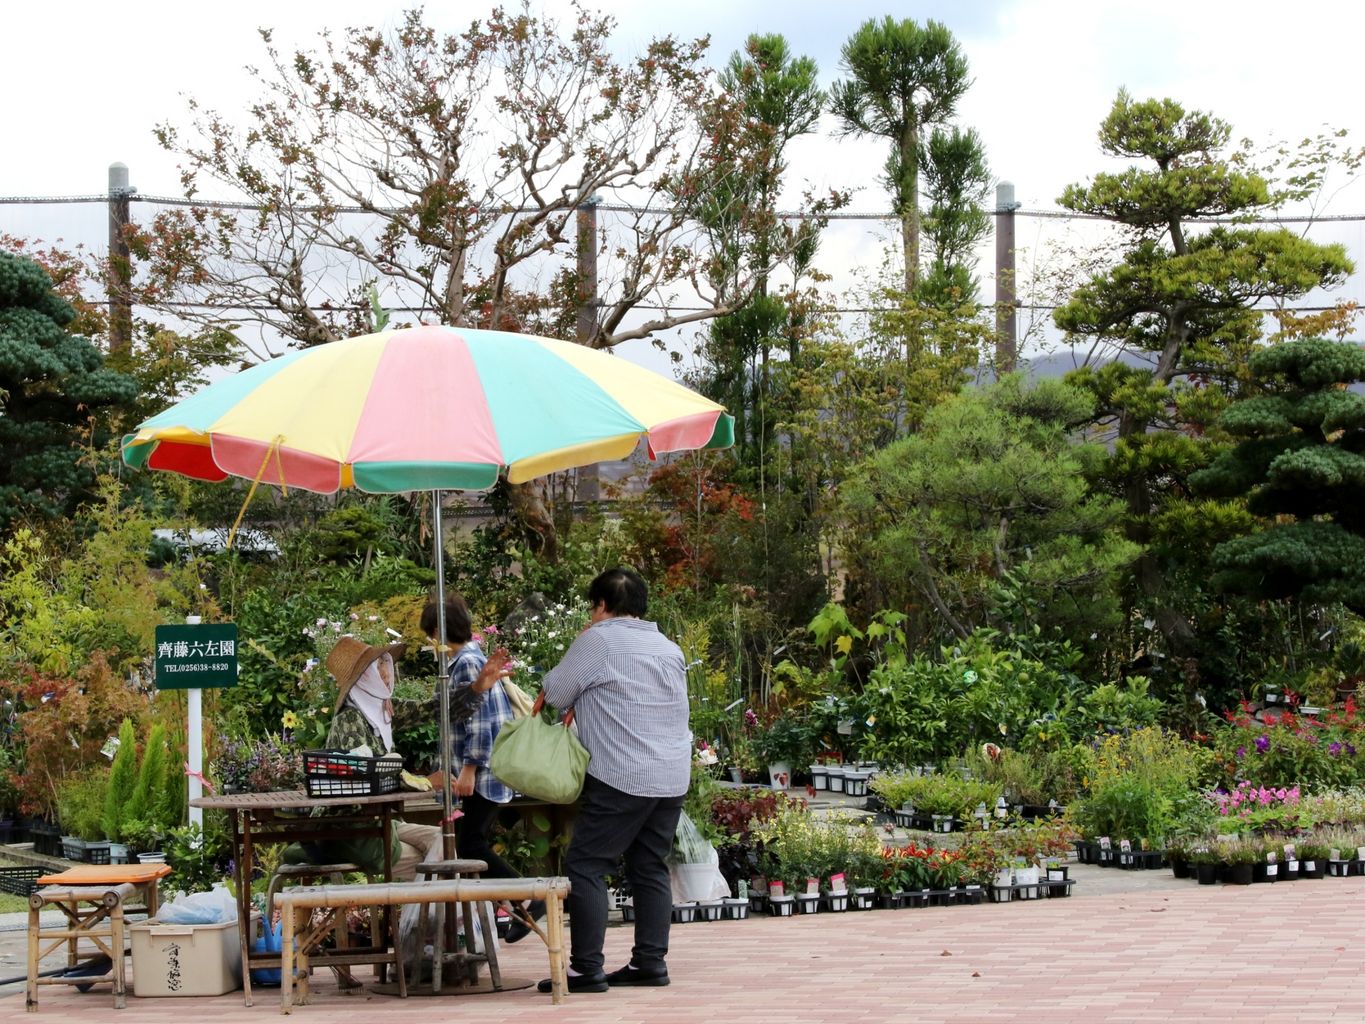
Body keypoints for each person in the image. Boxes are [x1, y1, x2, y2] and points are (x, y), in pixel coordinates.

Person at [535, 567, 690, 994]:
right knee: (649, 866)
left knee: (586, 865)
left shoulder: (598, 640)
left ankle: (586, 969)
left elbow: (557, 691)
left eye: (592, 606)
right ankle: (650, 962)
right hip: (671, 775)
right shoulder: (667, 647)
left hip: (623, 773)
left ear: (601, 605)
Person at [419, 593, 536, 939]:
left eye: (431, 633)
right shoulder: (469, 659)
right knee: (472, 842)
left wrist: (469, 767)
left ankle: (527, 900)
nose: (431, 641)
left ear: (440, 630)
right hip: (483, 770)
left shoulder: (467, 662)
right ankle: (518, 909)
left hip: (482, 772)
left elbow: (482, 722)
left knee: (469, 844)